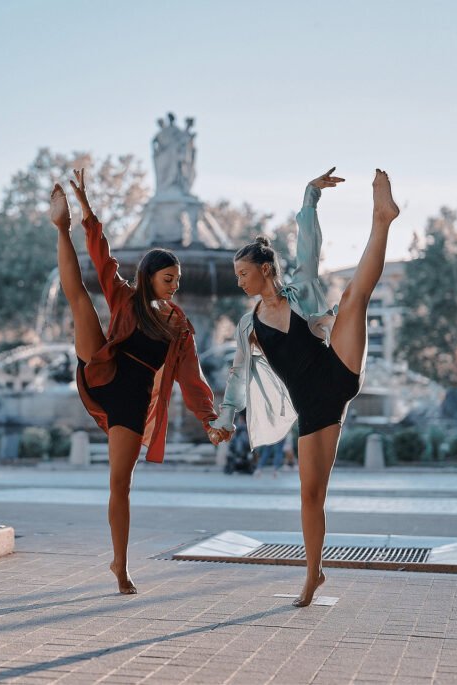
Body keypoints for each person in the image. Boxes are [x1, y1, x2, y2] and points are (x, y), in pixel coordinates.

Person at [211, 167, 400, 607]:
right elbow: (238, 376)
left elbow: (309, 248)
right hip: (314, 409)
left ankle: (383, 218)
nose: (239, 282)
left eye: (243, 273)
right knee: (311, 495)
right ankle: (314, 575)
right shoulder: (248, 327)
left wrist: (310, 197)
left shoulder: (301, 292)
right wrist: (224, 421)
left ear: (264, 270)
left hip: (337, 369)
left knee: (354, 297)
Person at [50, 170, 227, 595]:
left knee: (120, 485)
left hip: (132, 402)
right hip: (105, 369)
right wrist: (87, 212)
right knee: (80, 303)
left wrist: (209, 420)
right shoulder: (127, 297)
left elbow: (191, 376)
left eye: (177, 281)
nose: (175, 286)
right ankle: (61, 226)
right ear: (149, 277)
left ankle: (120, 564)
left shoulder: (180, 325)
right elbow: (103, 257)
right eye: (169, 279)